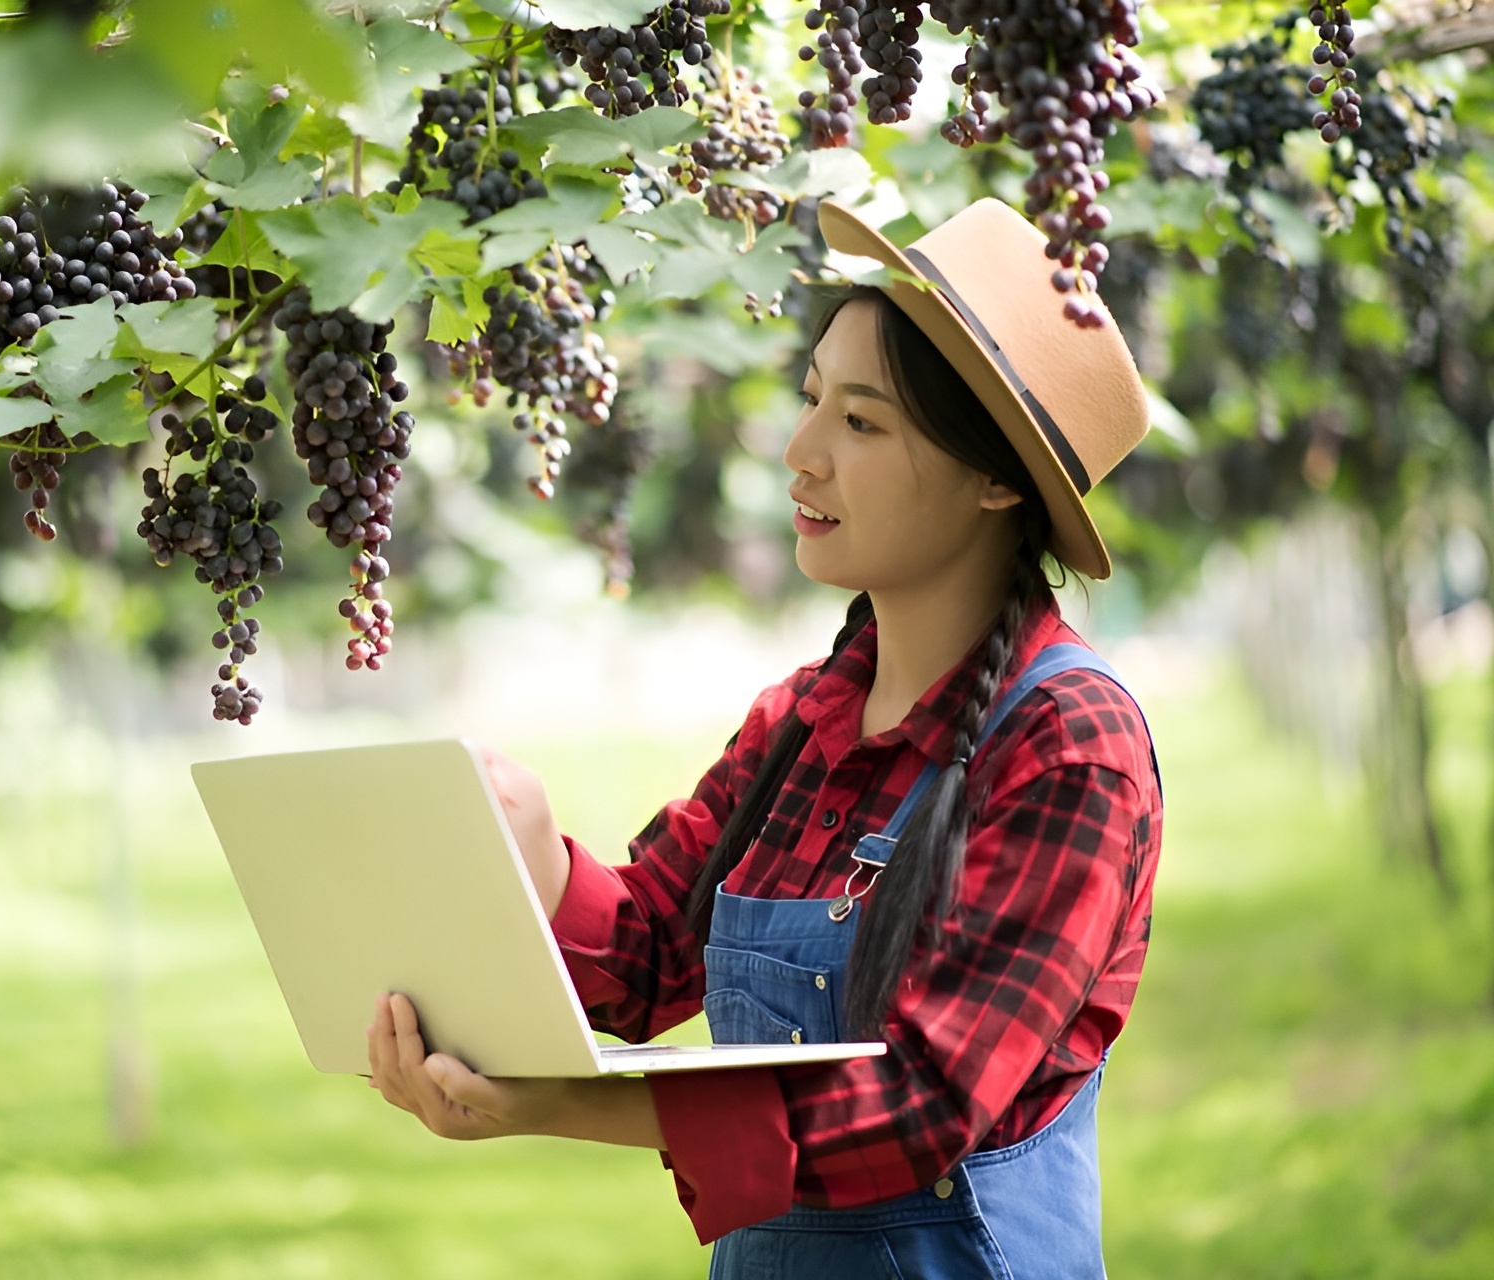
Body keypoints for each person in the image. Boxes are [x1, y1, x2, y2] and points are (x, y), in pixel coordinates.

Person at [365, 196, 1164, 1279]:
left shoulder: (1070, 744)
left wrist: (563, 1104)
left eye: (862, 422)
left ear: (997, 479)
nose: (800, 453)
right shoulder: (803, 721)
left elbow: (925, 1098)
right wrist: (537, 857)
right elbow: (651, 953)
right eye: (812, 401)